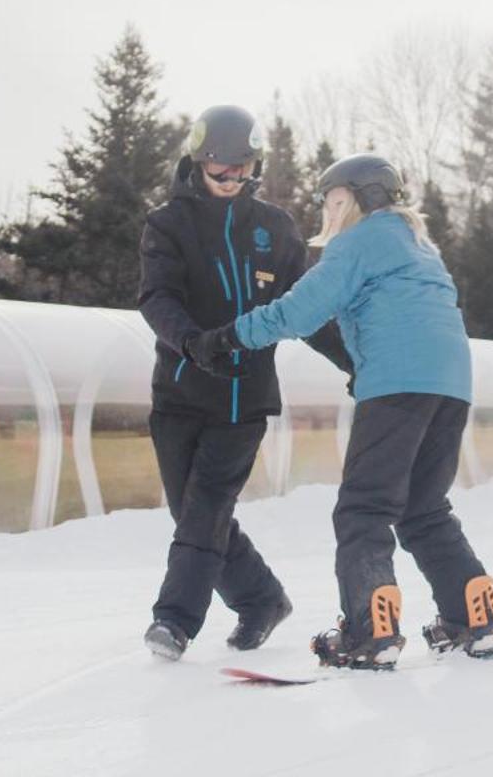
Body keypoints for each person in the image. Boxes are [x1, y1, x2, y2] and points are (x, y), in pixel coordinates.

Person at [189, 154, 493, 670]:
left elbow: (300, 310)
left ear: (362, 199)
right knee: (424, 508)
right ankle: (473, 616)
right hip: (451, 386)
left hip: (398, 384)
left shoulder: (361, 241)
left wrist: (229, 338)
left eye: (334, 201)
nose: (328, 214)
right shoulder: (419, 248)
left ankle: (369, 631)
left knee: (364, 509)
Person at [135, 105, 354, 660]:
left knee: (207, 503)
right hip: (181, 391)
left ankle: (175, 621)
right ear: (198, 161)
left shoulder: (274, 229)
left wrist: (357, 362)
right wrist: (193, 344)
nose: (233, 179)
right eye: (221, 169)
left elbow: (305, 311)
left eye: (244, 169)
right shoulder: (168, 225)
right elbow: (158, 298)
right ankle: (262, 599)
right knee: (193, 514)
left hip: (243, 399)